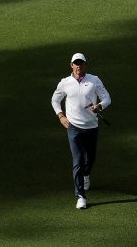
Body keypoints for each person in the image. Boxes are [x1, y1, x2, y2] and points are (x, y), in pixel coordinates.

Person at [50, 52, 111, 210]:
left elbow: (107, 98)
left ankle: (86, 175)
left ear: (85, 65)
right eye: (75, 63)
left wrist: (100, 106)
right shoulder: (65, 83)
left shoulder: (94, 80)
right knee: (77, 161)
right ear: (71, 65)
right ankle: (81, 196)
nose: (78, 66)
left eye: (81, 63)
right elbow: (55, 100)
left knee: (89, 159)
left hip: (91, 126)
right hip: (74, 127)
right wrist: (61, 117)